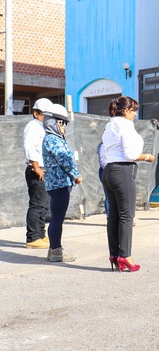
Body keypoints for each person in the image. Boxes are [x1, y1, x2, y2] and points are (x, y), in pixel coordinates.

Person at [102, 96, 155, 272]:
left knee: (114, 216)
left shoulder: (109, 125)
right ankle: (125, 255)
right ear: (125, 110)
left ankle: (114, 254)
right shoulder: (125, 125)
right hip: (123, 171)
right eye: (133, 111)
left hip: (109, 170)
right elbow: (131, 154)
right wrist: (147, 156)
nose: (135, 115)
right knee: (126, 216)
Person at [41, 104, 82, 262]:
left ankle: (54, 250)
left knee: (57, 217)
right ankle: (56, 251)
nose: (64, 126)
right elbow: (65, 160)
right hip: (59, 185)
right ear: (53, 123)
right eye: (61, 122)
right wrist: (76, 175)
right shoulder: (53, 140)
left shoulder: (54, 139)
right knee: (57, 218)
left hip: (58, 184)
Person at [23, 98, 53, 249]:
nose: (47, 118)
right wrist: (36, 167)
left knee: (44, 205)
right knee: (37, 204)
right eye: (44, 114)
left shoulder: (43, 127)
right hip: (37, 170)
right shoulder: (32, 127)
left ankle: (41, 234)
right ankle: (33, 237)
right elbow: (29, 148)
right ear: (36, 113)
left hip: (43, 169)